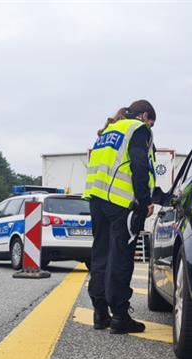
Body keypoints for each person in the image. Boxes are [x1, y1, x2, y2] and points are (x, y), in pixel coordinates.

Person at [83, 100, 157, 334]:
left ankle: (100, 312)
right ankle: (120, 316)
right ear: (145, 116)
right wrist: (144, 201)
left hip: (97, 200)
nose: (151, 128)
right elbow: (139, 165)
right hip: (122, 203)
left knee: (101, 254)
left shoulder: (108, 131)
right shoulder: (138, 129)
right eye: (152, 123)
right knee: (121, 257)